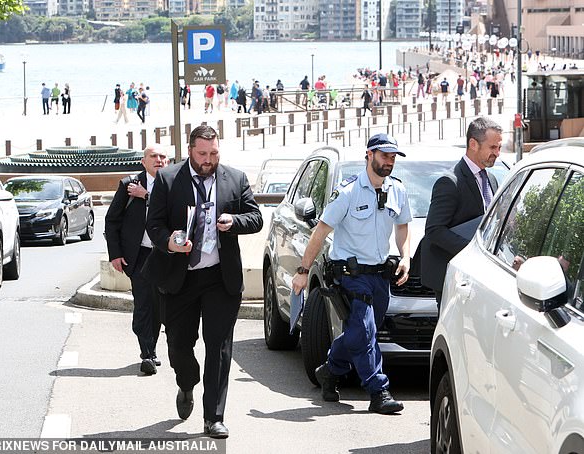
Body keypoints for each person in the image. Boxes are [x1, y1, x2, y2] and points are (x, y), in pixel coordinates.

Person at [144, 125, 263, 438]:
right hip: (180, 278)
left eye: (214, 153)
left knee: (219, 348)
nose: (209, 159)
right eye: (202, 154)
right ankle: (186, 383)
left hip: (220, 279)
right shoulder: (169, 179)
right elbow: (153, 223)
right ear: (189, 150)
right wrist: (169, 241)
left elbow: (256, 218)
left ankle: (214, 417)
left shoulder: (235, 179)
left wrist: (233, 221)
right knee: (179, 346)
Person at [292, 133, 412, 415]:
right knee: (366, 330)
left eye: (393, 157)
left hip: (380, 277)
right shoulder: (347, 192)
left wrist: (405, 256)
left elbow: (403, 226)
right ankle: (378, 390)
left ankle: (331, 370)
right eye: (384, 156)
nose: (389, 162)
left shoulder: (398, 190)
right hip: (351, 275)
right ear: (369, 155)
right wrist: (302, 270)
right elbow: (320, 231)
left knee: (360, 332)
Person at [421, 117, 502, 308]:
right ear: (473, 144)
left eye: (498, 148)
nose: (497, 153)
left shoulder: (491, 178)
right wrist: (473, 251)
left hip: (481, 280)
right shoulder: (449, 182)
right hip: (454, 278)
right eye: (492, 148)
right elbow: (434, 230)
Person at [105, 145, 169, 375]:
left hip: (165, 254)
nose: (159, 160)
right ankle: (147, 354)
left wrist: (147, 196)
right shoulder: (128, 185)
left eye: (163, 157)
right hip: (140, 254)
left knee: (161, 305)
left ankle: (152, 347)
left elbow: (174, 211)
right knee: (143, 303)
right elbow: (112, 220)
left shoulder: (172, 184)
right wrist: (115, 254)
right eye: (153, 156)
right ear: (143, 161)